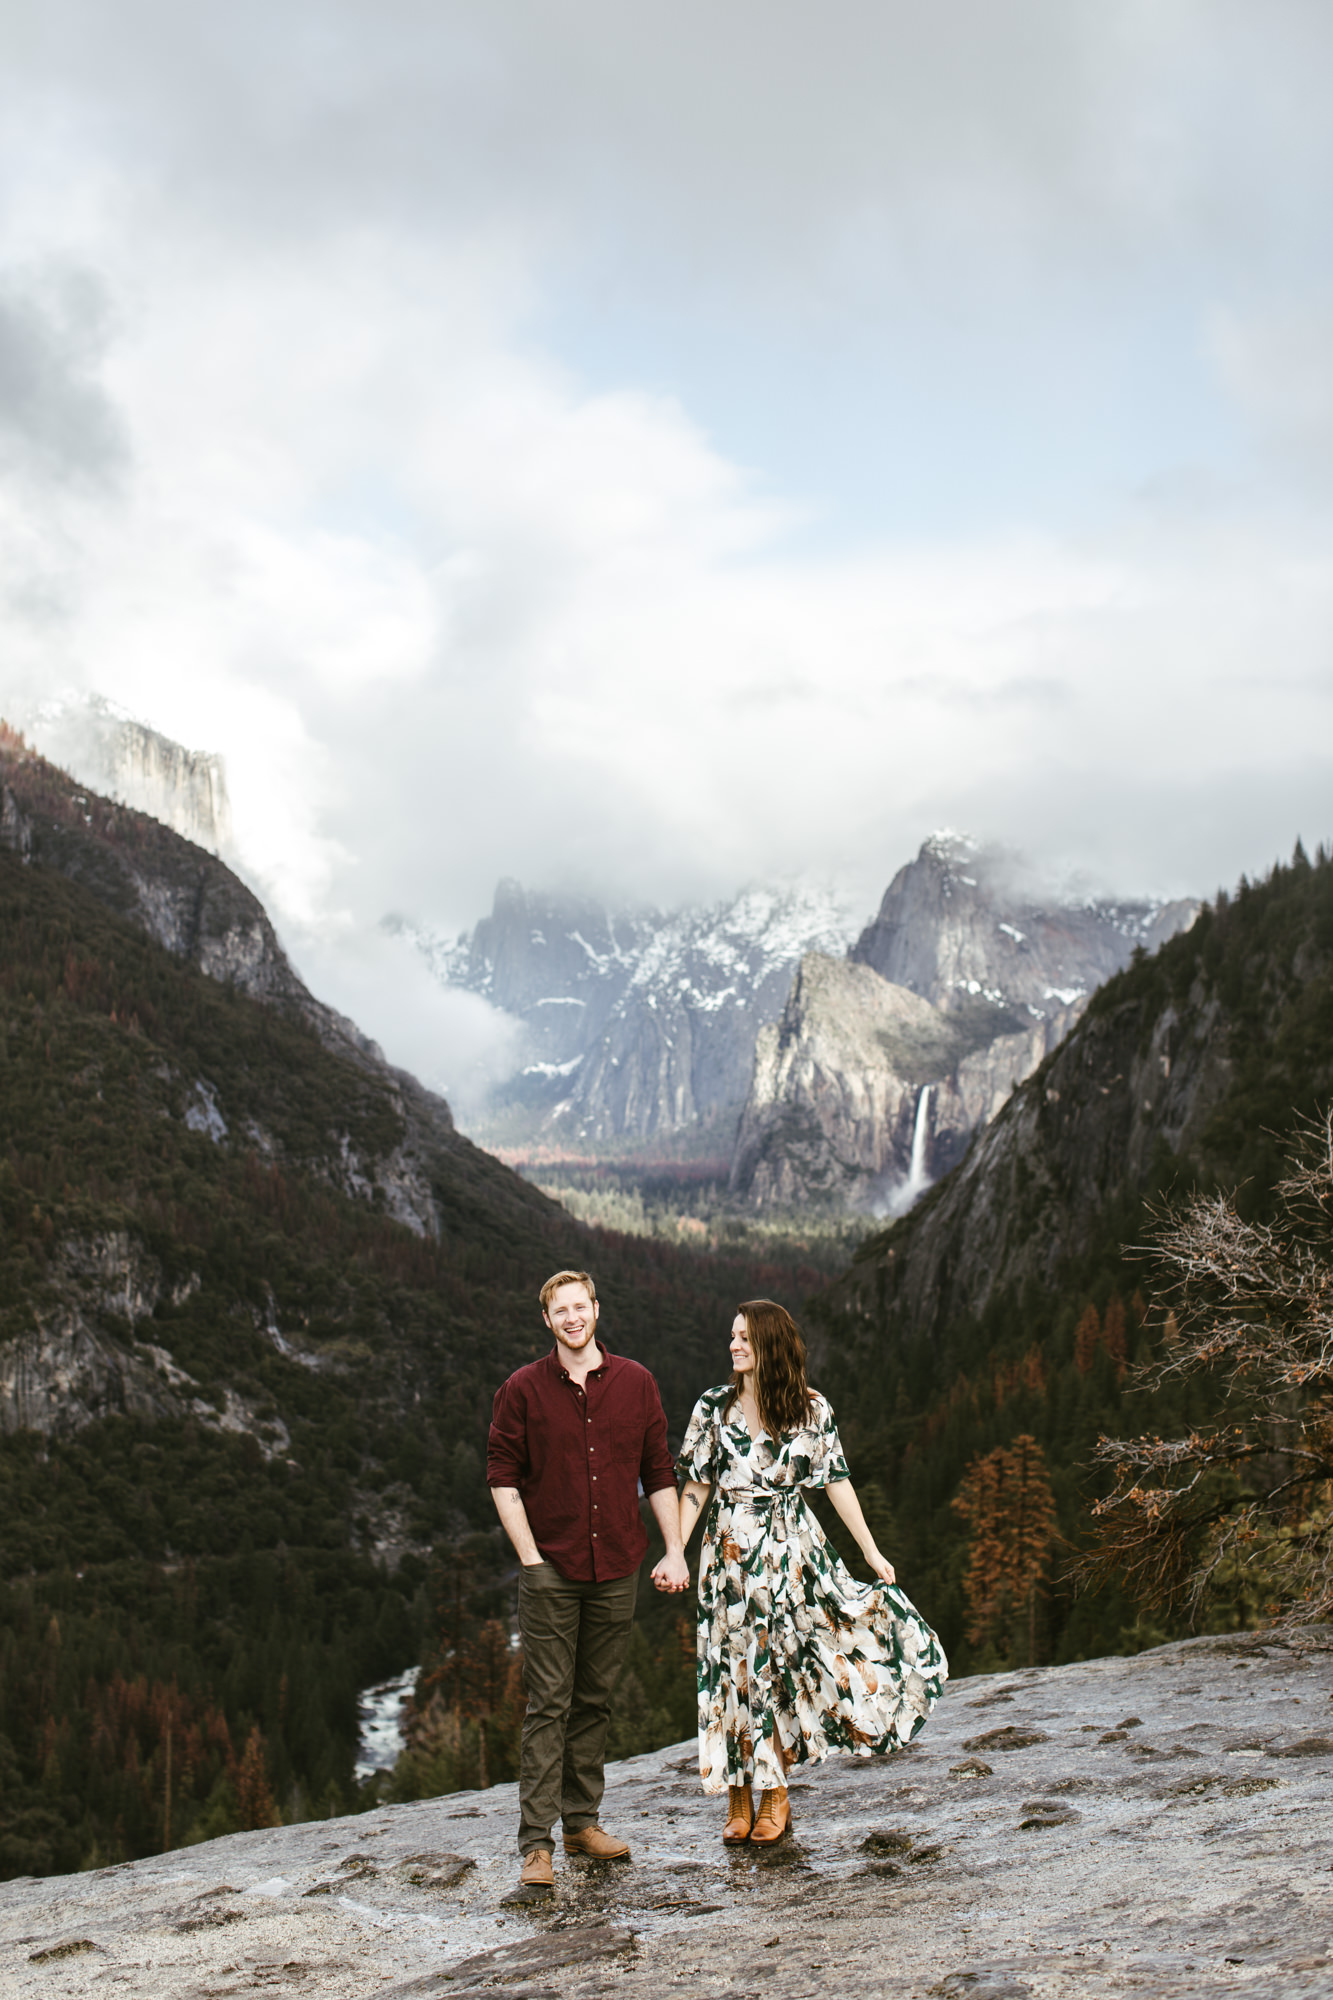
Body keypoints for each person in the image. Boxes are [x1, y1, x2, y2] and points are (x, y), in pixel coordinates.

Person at [675, 1298, 948, 1844]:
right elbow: (696, 1486)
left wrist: (870, 1551)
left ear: (770, 1345)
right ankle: (736, 1794)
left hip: (791, 1549)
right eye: (731, 1336)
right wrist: (674, 1551)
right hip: (727, 1556)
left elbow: (837, 1480)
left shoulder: (811, 1409)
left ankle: (774, 1795)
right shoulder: (713, 1406)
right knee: (730, 1668)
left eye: (745, 1339)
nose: (733, 1346)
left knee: (779, 1666)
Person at [488, 1268, 689, 1892]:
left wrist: (675, 1549)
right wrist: (529, 1559)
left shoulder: (636, 1383)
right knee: (549, 1703)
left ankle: (582, 1823)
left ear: (597, 1310)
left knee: (594, 1698)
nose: (573, 1318)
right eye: (560, 1311)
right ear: (547, 1320)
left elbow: (659, 1472)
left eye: (582, 1306)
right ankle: (536, 1845)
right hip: (550, 1566)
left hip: (617, 1569)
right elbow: (502, 1476)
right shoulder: (522, 1389)